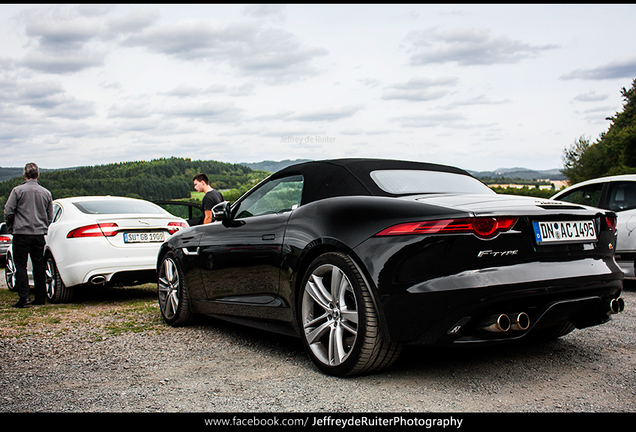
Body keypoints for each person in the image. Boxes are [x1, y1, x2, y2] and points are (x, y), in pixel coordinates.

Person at [4, 162, 54, 308]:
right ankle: (40, 297)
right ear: (37, 175)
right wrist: (44, 227)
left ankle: (24, 298)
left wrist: (11, 226)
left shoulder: (17, 191)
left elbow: (8, 210)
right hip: (38, 234)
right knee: (39, 265)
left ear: (25, 175)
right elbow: (50, 215)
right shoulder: (46, 193)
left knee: (20, 266)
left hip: (21, 233)